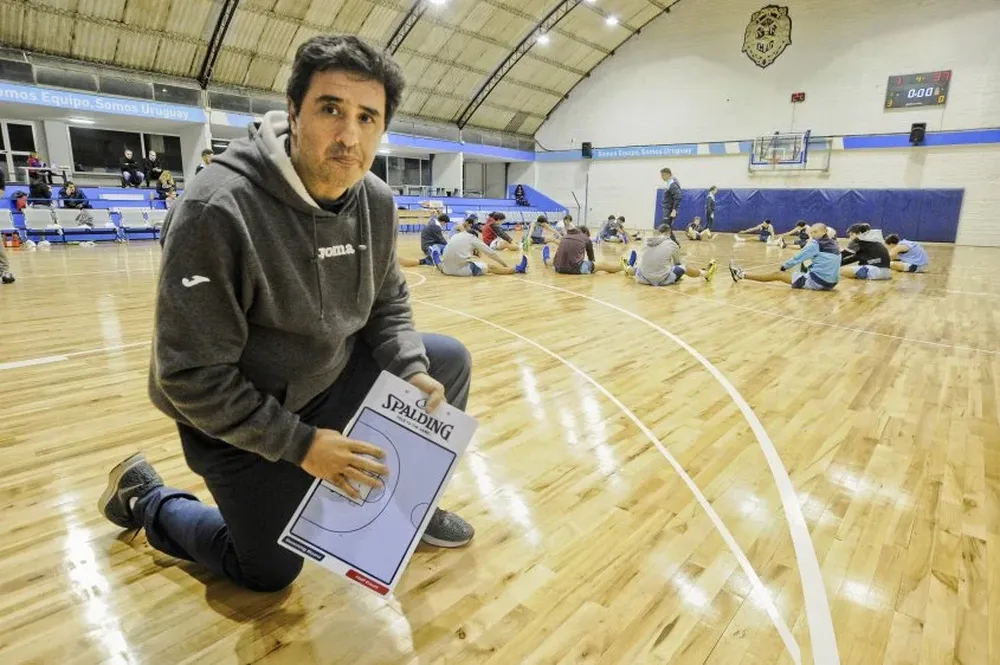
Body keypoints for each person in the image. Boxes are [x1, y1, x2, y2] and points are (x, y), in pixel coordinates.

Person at [98, 35, 481, 595]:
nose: (349, 136)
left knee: (444, 361)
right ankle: (146, 499)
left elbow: (388, 301)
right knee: (268, 572)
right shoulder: (215, 209)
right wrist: (302, 446)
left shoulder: (375, 201)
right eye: (331, 110)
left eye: (367, 118)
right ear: (294, 112)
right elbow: (191, 376)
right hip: (240, 414)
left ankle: (406, 510)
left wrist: (409, 367)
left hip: (327, 378)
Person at [730, 223, 841, 290]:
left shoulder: (815, 244)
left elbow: (797, 258)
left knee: (777, 274)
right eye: (811, 233)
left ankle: (740, 275)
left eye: (815, 232)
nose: (813, 235)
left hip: (819, 282)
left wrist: (783, 267)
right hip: (832, 283)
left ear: (824, 231)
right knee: (803, 267)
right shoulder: (834, 244)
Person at [623, 225, 717, 285]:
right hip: (660, 280)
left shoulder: (647, 240)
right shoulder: (671, 244)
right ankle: (705, 274)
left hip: (642, 279)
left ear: (658, 232)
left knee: (640, 267)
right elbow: (677, 263)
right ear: (670, 233)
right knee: (684, 267)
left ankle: (628, 267)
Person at [438, 216, 527, 276]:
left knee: (442, 263)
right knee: (490, 267)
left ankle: (436, 260)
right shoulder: (472, 238)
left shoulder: (456, 235)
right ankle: (518, 269)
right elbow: (491, 253)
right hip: (461, 271)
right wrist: (504, 264)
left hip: (446, 269)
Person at [544, 225, 623, 275]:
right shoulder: (585, 238)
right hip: (576, 269)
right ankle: (622, 267)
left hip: (558, 268)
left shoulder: (565, 236)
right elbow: (592, 259)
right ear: (585, 233)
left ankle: (546, 258)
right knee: (602, 264)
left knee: (555, 260)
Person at [659, 167, 682, 243]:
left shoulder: (672, 184)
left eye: (663, 175)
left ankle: (674, 244)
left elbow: (678, 196)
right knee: (667, 228)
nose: (662, 177)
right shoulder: (670, 182)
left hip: (669, 209)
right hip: (668, 208)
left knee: (666, 227)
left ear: (668, 174)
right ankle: (674, 244)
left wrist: (674, 210)